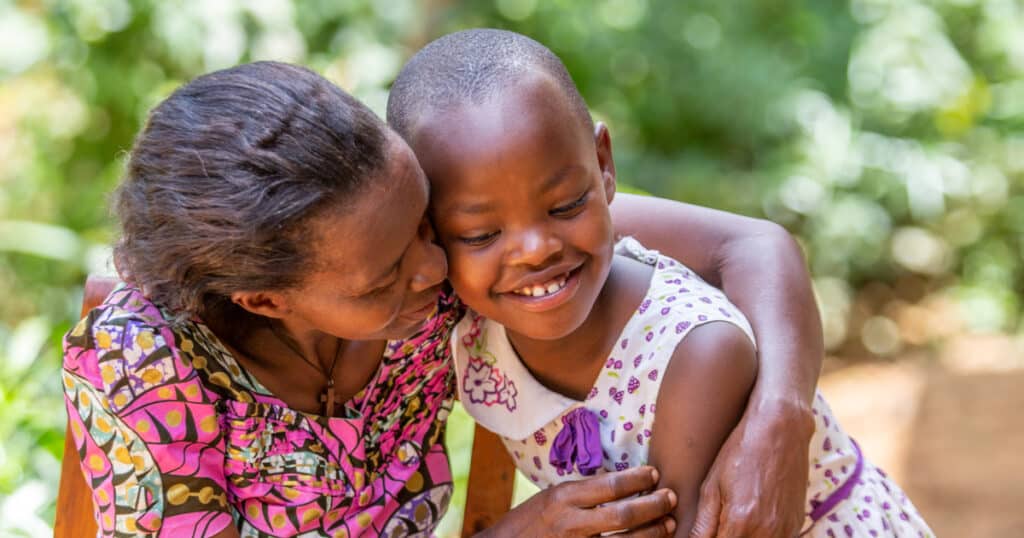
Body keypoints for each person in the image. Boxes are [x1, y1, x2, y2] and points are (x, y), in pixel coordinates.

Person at [62, 59, 814, 537]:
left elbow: (748, 244)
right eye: (384, 277)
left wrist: (779, 418)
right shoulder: (145, 368)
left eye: (428, 224)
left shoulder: (449, 254)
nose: (433, 268)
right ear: (264, 302)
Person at [386, 29, 935, 537]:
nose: (536, 249)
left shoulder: (693, 349)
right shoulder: (465, 304)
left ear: (603, 165)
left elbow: (756, 244)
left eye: (567, 204)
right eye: (482, 234)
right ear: (427, 232)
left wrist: (782, 415)